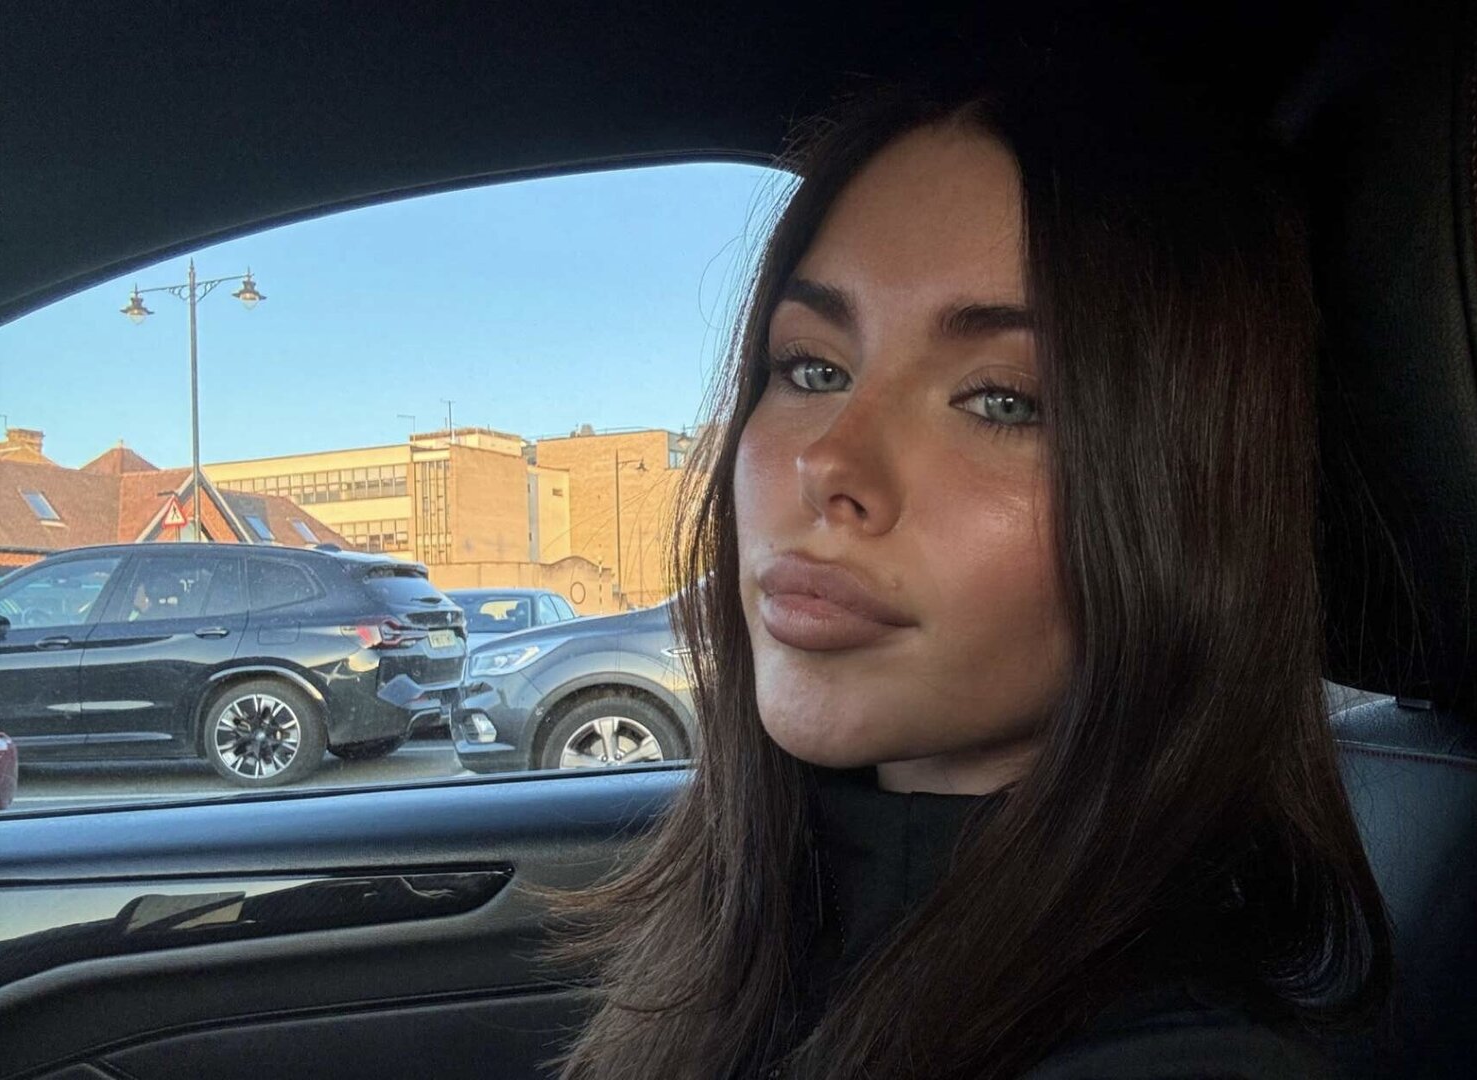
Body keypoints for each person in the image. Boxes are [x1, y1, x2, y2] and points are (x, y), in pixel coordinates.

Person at [551, 69, 1389, 1080]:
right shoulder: (759, 917)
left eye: (1001, 401)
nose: (828, 462)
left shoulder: (1180, 1056)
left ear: (1193, 502)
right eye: (813, 368)